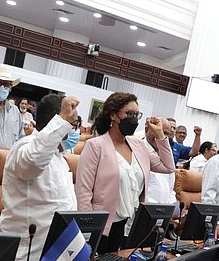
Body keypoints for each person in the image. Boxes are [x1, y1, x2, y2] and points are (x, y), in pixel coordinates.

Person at [75, 92, 174, 252]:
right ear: (114, 115)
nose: (134, 119)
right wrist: (88, 230)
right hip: (100, 226)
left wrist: (160, 135)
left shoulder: (138, 145)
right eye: (129, 114)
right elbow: (83, 191)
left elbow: (168, 167)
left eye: (137, 115)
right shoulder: (96, 146)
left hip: (125, 223)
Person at [1, 94, 79, 261]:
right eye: (72, 124)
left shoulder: (59, 157)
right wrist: (62, 123)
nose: (74, 130)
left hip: (55, 258)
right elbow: (34, 161)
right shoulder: (25, 146)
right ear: (56, 121)